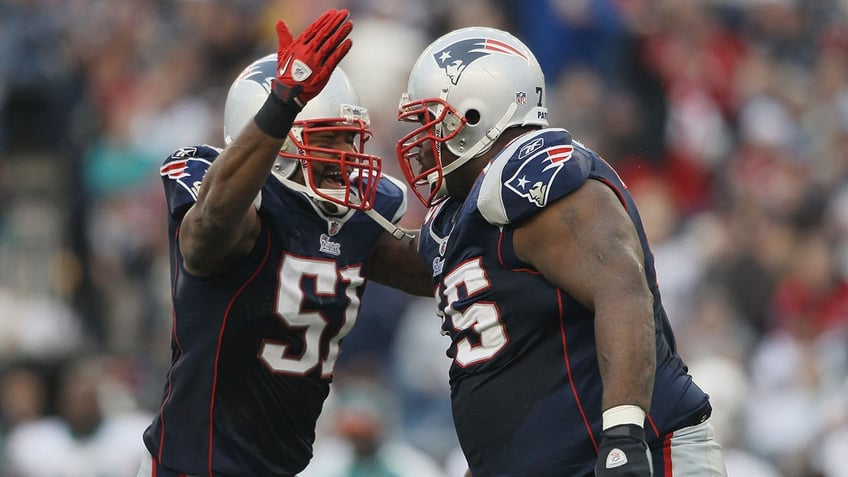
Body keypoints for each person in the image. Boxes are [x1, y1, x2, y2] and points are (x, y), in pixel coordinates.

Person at [394, 27, 727, 476]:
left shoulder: (532, 177)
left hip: (624, 454)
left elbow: (621, 287)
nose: (422, 140)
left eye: (431, 121)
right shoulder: (464, 218)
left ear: (472, 115)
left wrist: (623, 436)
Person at [139, 9, 431, 476]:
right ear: (275, 143)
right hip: (193, 465)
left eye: (348, 141)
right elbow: (208, 229)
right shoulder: (232, 207)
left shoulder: (357, 219)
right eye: (327, 140)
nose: (345, 160)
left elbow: (438, 270)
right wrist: (283, 102)